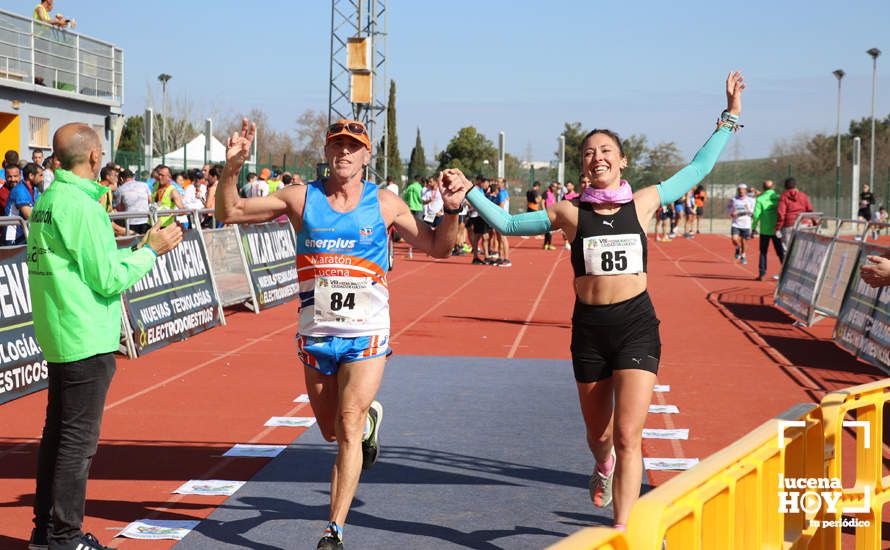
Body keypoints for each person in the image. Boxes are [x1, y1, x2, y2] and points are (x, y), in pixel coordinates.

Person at [459, 72, 744, 530]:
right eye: (589, 153)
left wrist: (729, 117)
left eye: (605, 150)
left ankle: (621, 531)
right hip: (589, 330)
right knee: (601, 435)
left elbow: (695, 170)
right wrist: (471, 192)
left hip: (636, 325)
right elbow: (509, 227)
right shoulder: (569, 212)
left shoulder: (647, 201)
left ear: (622, 160)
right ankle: (602, 462)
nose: (597, 158)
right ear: (582, 166)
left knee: (631, 435)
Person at [214, 118, 471, 550]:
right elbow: (229, 212)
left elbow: (439, 247)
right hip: (316, 331)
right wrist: (232, 168)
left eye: (354, 147)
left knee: (347, 427)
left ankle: (333, 530)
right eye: (337, 146)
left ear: (367, 156)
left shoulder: (386, 203)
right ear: (327, 152)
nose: (345, 153)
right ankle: (370, 420)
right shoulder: (301, 198)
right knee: (331, 430)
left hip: (367, 331)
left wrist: (450, 209)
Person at [27, 123, 182, 550]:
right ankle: (64, 536)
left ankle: (46, 531)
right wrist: (152, 250)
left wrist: (137, 246)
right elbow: (108, 278)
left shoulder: (51, 199)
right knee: (77, 443)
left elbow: (85, 262)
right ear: (95, 157)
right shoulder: (81, 205)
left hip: (61, 329)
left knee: (57, 435)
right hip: (84, 333)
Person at [751, 179, 784, 281]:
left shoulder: (760, 199)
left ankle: (762, 274)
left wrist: (753, 228)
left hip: (765, 230)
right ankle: (786, 272)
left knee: (763, 252)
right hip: (777, 229)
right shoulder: (779, 198)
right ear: (773, 187)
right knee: (781, 252)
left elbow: (756, 215)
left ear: (763, 188)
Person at [4, 162, 41, 245]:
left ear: (20, 176)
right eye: (41, 175)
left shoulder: (34, 190)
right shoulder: (19, 190)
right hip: (14, 238)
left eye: (15, 176)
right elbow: (30, 215)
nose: (13, 179)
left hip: (25, 235)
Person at [775, 177, 814, 252]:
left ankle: (789, 264)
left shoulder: (783, 197)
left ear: (785, 186)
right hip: (803, 223)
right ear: (795, 185)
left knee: (788, 250)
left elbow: (781, 214)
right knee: (803, 249)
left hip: (789, 225)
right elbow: (810, 209)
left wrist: (778, 228)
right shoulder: (803, 195)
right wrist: (813, 222)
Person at [116, 169, 152, 234]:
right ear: (133, 177)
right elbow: (150, 200)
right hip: (145, 219)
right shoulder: (144, 185)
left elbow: (120, 207)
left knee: (132, 242)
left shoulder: (120, 189)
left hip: (130, 221)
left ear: (121, 179)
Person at [727, 183, 755, 264]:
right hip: (736, 223)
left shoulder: (751, 200)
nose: (741, 192)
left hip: (746, 223)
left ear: (745, 191)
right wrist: (731, 213)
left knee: (744, 241)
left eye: (742, 190)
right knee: (734, 239)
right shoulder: (733, 199)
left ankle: (743, 255)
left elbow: (752, 212)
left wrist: (747, 209)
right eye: (739, 190)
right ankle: (738, 247)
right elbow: (728, 208)